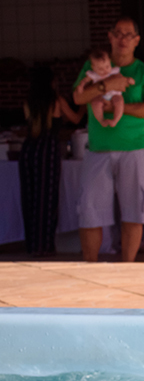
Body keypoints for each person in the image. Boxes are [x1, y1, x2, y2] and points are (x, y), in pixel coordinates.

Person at [72, 17, 144, 262]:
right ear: (110, 37)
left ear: (136, 41)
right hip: (98, 149)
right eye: (118, 34)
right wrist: (106, 86)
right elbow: (78, 98)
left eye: (128, 34)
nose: (122, 39)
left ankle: (127, 268)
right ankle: (90, 268)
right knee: (90, 213)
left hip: (137, 149)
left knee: (134, 213)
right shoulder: (95, 66)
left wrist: (116, 108)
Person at [19, 65, 82, 257]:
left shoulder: (28, 101)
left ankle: (32, 245)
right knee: (46, 199)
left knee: (29, 198)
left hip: (28, 149)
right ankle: (44, 246)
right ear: (50, 82)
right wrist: (84, 104)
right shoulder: (57, 101)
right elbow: (76, 119)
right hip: (48, 149)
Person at [84, 47, 124, 128]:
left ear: (110, 62)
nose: (105, 71)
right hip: (100, 95)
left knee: (119, 101)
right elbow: (85, 81)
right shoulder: (94, 75)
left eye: (107, 66)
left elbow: (121, 78)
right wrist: (81, 85)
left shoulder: (113, 71)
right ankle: (101, 120)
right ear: (93, 68)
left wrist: (128, 80)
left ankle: (115, 120)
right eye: (100, 69)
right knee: (95, 103)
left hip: (114, 94)